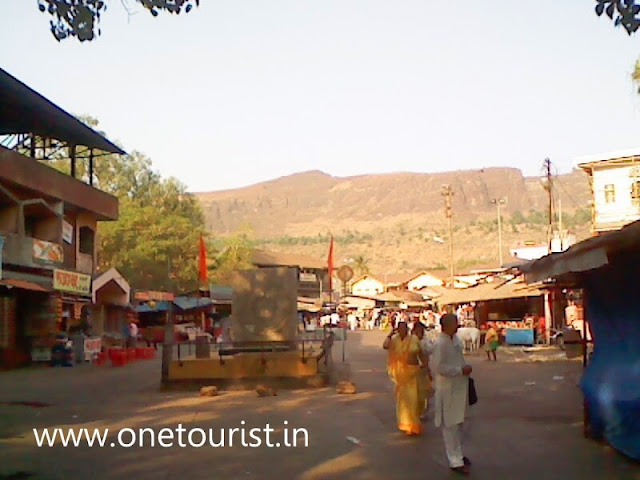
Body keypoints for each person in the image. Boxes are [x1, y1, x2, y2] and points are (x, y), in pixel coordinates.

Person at [432, 313, 473, 475]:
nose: (458, 325)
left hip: (458, 387)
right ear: (447, 325)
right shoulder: (440, 343)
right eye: (455, 323)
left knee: (458, 422)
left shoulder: (454, 340)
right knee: (450, 425)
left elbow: (458, 359)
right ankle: (454, 460)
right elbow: (439, 367)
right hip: (447, 388)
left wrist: (464, 369)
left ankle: (459, 455)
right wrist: (459, 371)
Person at [383, 321, 428, 436]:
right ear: (397, 330)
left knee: (415, 399)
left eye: (404, 329)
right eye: (399, 329)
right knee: (404, 402)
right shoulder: (394, 340)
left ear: (407, 329)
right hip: (401, 376)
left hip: (413, 373)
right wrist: (390, 334)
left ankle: (414, 423)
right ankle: (408, 425)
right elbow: (385, 346)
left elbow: (421, 354)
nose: (402, 331)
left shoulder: (414, 339)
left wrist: (426, 366)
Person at [411, 322, 434, 420]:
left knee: (425, 392)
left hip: (424, 369)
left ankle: (423, 412)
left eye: (421, 330)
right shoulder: (410, 340)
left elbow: (430, 350)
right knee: (414, 392)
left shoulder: (426, 340)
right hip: (412, 370)